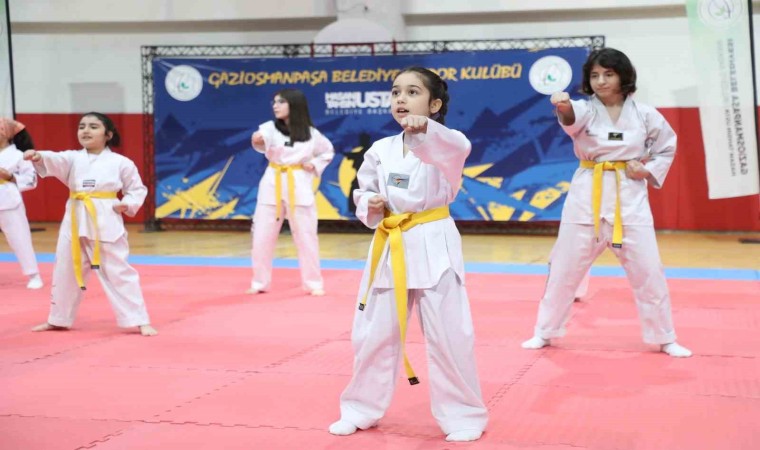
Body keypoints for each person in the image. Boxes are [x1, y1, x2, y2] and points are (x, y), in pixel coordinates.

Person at [328, 67, 488, 442]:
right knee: (373, 334)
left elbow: (455, 147)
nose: (401, 98)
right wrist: (370, 201)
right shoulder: (380, 149)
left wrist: (426, 129)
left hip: (434, 239)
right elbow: (363, 190)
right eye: (396, 92)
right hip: (390, 240)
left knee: (450, 335)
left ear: (434, 104)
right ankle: (359, 408)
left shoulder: (449, 144)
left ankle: (463, 415)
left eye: (413, 92)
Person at [521, 48, 691, 357]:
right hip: (587, 194)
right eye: (595, 75)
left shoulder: (646, 114)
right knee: (563, 269)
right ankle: (544, 331)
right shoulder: (585, 110)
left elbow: (666, 147)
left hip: (629, 196)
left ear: (623, 76)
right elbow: (570, 118)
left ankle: (665, 337)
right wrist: (563, 105)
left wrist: (647, 170)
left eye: (608, 74)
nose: (600, 81)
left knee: (649, 271)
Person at [24, 112, 157, 336]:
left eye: (93, 127)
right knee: (65, 269)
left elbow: (137, 189)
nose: (85, 130)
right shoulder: (73, 158)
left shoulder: (121, 162)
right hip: (75, 217)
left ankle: (139, 319)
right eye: (82, 126)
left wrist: (127, 204)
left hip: (105, 216)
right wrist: (38, 156)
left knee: (118, 271)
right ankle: (58, 319)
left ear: (108, 135)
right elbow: (55, 159)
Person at [249, 88, 334, 296]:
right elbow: (261, 140)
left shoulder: (311, 134)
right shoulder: (269, 128)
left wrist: (314, 164)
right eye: (274, 102)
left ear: (294, 105)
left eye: (281, 102)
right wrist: (257, 140)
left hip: (299, 184)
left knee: (306, 236)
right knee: (261, 236)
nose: (275, 106)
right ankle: (259, 282)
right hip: (273, 183)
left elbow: (327, 152)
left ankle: (313, 283)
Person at [0, 117, 43, 289]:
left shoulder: (18, 156)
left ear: (6, 134)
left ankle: (34, 275)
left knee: (19, 238)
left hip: (8, 200)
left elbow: (31, 179)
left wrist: (10, 177)